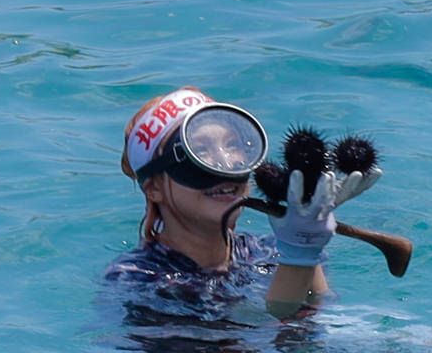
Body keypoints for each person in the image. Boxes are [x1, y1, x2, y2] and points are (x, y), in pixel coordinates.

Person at [104, 86, 378, 322]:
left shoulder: (268, 251)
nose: (226, 162)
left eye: (234, 144)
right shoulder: (138, 278)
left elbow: (317, 314)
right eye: (199, 151)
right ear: (153, 189)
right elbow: (270, 331)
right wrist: (300, 249)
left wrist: (310, 222)